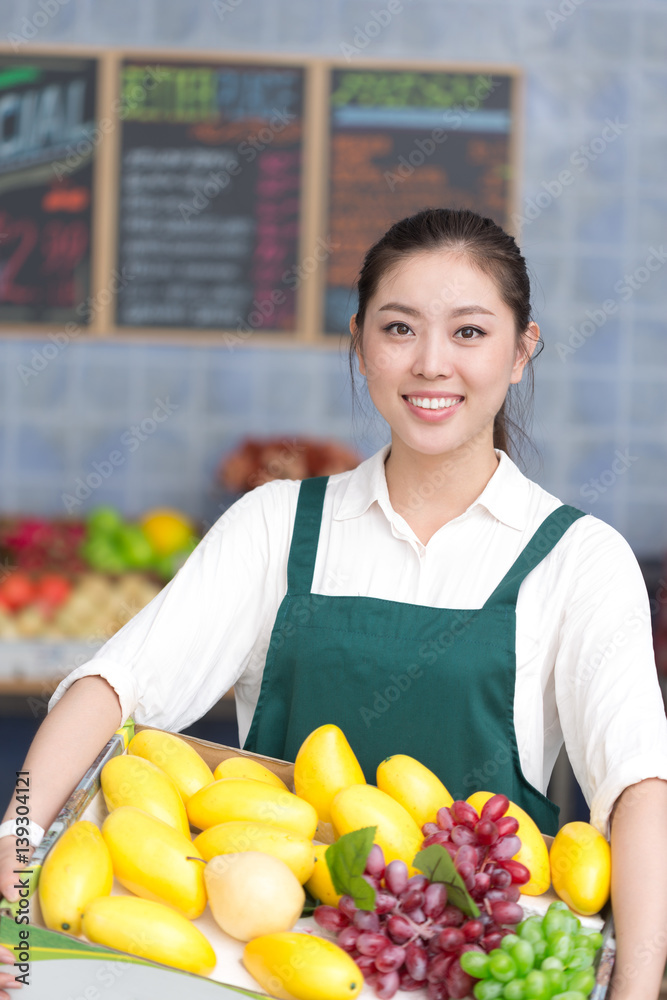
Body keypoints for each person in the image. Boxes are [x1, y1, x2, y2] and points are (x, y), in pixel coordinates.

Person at [1, 208, 666, 999]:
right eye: (397, 328)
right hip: (260, 966)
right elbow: (114, 686)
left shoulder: (578, 559)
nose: (429, 364)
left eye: (468, 333)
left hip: (468, 976)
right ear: (358, 341)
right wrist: (12, 865)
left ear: (521, 351)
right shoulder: (277, 522)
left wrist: (636, 986)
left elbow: (636, 785)